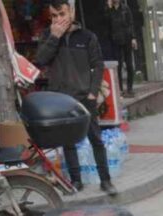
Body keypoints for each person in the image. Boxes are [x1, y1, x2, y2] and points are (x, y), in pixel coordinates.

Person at [34, 0, 116, 196]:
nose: (58, 20)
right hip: (61, 99)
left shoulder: (87, 37)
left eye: (61, 14)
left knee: (96, 139)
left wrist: (93, 93)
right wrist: (55, 36)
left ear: (71, 12)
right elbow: (40, 60)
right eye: (54, 16)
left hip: (84, 97)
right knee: (68, 142)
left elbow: (97, 65)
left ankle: (106, 180)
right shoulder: (48, 35)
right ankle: (76, 180)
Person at [105, 0, 137, 97]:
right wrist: (108, 8)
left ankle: (130, 88)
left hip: (126, 38)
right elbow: (106, 23)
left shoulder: (125, 8)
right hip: (115, 40)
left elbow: (131, 24)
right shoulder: (109, 10)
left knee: (129, 64)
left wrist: (133, 38)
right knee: (118, 65)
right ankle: (119, 89)